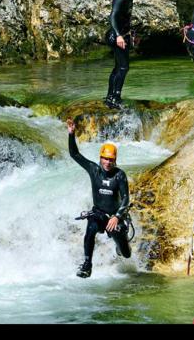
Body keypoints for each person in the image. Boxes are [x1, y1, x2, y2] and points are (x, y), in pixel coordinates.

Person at [67, 119, 132, 278]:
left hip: (114, 218)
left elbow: (125, 198)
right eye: (105, 158)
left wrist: (117, 217)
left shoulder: (119, 175)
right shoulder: (94, 170)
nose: (107, 162)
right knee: (90, 229)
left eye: (111, 159)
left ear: (114, 160)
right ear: (100, 158)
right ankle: (87, 264)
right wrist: (71, 134)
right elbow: (74, 154)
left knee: (126, 254)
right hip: (98, 214)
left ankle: (121, 245)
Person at [104, 0, 148, 110]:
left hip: (122, 34)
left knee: (118, 67)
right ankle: (114, 98)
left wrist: (132, 34)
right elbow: (113, 16)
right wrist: (118, 36)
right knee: (123, 67)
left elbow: (125, 19)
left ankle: (110, 97)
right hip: (115, 35)